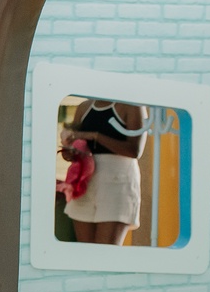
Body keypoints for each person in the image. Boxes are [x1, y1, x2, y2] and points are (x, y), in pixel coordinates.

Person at [60, 99, 146, 245]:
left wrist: (95, 136)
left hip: (117, 182)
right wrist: (69, 151)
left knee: (106, 250)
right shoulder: (83, 107)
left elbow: (134, 150)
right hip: (85, 182)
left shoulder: (132, 106)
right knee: (85, 251)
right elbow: (76, 145)